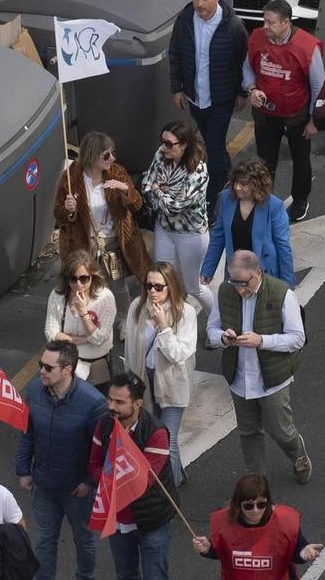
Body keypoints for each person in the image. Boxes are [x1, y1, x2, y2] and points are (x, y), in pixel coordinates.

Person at [92, 373, 186, 580]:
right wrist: (108, 478)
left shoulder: (156, 432)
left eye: (119, 402)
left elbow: (143, 481)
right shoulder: (103, 424)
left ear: (138, 404)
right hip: (118, 518)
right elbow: (93, 466)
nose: (112, 407)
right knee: (125, 576)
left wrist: (109, 480)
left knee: (156, 579)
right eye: (110, 399)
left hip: (151, 518)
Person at [16, 339, 108, 580]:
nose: (41, 371)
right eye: (41, 365)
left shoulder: (93, 402)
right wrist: (23, 470)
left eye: (47, 367)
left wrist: (90, 482)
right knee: (43, 543)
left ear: (67, 369)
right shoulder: (34, 392)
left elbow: (102, 448)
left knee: (84, 540)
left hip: (77, 490)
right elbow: (27, 434)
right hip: (44, 485)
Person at [209, 250, 312, 482]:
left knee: (281, 431)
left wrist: (262, 341)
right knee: (248, 432)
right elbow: (211, 331)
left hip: (273, 378)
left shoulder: (282, 294)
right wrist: (223, 338)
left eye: (244, 283)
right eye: (234, 282)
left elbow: (297, 338)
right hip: (239, 376)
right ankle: (256, 481)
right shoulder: (225, 291)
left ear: (258, 273)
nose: (239, 289)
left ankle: (297, 451)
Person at [243, 0, 325, 223]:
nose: (265, 27)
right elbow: (248, 66)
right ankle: (263, 200)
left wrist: (314, 121)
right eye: (264, 21)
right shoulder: (258, 37)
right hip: (266, 115)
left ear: (286, 22)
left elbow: (319, 86)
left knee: (301, 160)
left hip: (296, 116)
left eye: (270, 23)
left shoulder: (306, 46)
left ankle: (300, 201)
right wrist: (252, 88)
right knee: (265, 161)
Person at [123, 261, 201, 484]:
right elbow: (130, 348)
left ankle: (171, 494)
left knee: (167, 441)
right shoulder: (137, 307)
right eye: (149, 286)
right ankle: (176, 476)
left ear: (171, 286)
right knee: (151, 437)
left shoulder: (185, 313)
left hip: (173, 384)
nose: (153, 292)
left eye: (159, 287)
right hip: (143, 380)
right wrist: (130, 381)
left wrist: (164, 327)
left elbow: (179, 354)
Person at [169, 0, 250, 190]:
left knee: (213, 147)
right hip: (195, 98)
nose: (199, 4)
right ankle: (231, 177)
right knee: (213, 144)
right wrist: (176, 88)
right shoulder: (185, 20)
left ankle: (212, 197)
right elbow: (175, 53)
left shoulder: (233, 25)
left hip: (221, 99)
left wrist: (242, 93)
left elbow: (244, 60)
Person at [139, 123, 213, 324]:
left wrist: (158, 190)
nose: (164, 147)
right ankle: (169, 323)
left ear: (185, 145)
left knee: (192, 286)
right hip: (164, 229)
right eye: (162, 142)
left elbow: (177, 206)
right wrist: (160, 194)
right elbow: (146, 184)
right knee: (163, 281)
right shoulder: (162, 154)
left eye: (169, 144)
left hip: (191, 234)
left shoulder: (198, 171)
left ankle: (216, 321)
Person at [56, 132, 150, 288]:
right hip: (82, 245)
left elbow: (137, 205)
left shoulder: (118, 173)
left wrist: (126, 189)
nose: (112, 158)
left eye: (113, 153)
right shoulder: (70, 178)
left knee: (118, 292)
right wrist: (68, 210)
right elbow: (58, 214)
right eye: (106, 155)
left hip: (112, 243)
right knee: (84, 289)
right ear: (92, 156)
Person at [203, 158, 294, 287]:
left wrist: (287, 284)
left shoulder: (274, 206)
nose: (237, 187)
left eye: (244, 184)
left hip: (264, 274)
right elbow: (218, 236)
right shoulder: (226, 199)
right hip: (236, 273)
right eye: (235, 182)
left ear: (257, 185)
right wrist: (208, 269)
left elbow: (283, 247)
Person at [45, 249, 120, 387]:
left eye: (84, 278)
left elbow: (99, 339)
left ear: (93, 276)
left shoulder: (105, 298)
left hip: (96, 366)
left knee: (97, 405)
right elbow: (51, 332)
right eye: (73, 279)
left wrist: (83, 313)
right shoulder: (57, 296)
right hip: (66, 364)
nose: (78, 284)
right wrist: (84, 340)